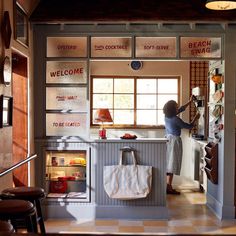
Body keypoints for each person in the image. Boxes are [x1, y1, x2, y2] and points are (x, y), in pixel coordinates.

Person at [163, 96, 200, 194]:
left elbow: (181, 109)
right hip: (174, 141)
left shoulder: (167, 116)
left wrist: (189, 101)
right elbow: (189, 126)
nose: (177, 107)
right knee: (173, 164)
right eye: (176, 106)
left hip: (168, 140)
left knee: (169, 164)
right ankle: (169, 187)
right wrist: (196, 118)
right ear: (173, 109)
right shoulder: (175, 119)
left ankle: (168, 186)